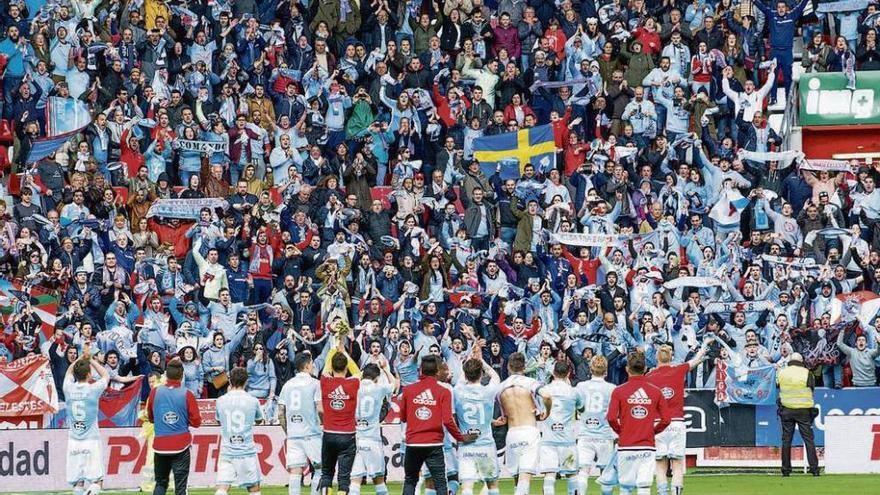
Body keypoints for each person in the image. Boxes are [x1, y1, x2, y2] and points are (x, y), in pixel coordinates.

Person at [399, 354, 473, 495]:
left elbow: (403, 417)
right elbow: (448, 420)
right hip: (434, 444)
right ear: (437, 372)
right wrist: (461, 437)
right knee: (440, 482)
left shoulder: (408, 390)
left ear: (421, 370)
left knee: (410, 480)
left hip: (413, 443)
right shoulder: (444, 391)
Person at [646, 343, 709, 495]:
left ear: (656, 358)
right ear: (671, 357)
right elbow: (694, 361)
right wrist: (704, 346)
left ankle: (662, 493)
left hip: (658, 424)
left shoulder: (649, 377)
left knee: (660, 464)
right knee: (677, 464)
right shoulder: (678, 370)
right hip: (676, 423)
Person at [607, 351, 671, 495]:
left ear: (626, 369)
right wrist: (653, 431)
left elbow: (611, 418)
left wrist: (621, 431)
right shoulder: (656, 392)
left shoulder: (619, 391)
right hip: (647, 445)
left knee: (625, 486)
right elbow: (666, 419)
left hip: (626, 445)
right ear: (645, 369)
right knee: (644, 486)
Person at [497, 352, 553, 495]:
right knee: (525, 477)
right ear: (525, 366)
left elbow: (499, 413)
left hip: (512, 433)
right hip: (529, 431)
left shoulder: (501, 387)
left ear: (508, 367)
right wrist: (547, 411)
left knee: (517, 477)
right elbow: (546, 395)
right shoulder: (530, 382)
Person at [146, 358, 203, 495]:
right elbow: (197, 422)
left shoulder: (155, 392)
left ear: (166, 374)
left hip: (160, 445)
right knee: (180, 487)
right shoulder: (187, 394)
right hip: (181, 446)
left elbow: (151, 417)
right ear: (182, 375)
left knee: (160, 483)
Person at [454, 353, 503, 495]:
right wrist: (482, 361)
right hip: (486, 444)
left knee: (467, 487)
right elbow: (495, 377)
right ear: (481, 373)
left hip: (466, 446)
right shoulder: (488, 391)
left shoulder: (458, 391)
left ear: (465, 373)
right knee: (492, 485)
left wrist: (469, 359)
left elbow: (460, 380)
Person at [318, 341, 361, 495]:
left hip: (329, 434)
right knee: (344, 478)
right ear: (345, 367)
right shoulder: (353, 383)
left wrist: (334, 349)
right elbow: (357, 372)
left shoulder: (325, 381)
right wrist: (345, 353)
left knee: (326, 474)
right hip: (348, 436)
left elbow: (325, 369)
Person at [64, 351, 109, 495]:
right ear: (89, 375)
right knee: (97, 481)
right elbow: (106, 375)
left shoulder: (67, 388)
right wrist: (91, 360)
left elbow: (68, 371)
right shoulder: (93, 389)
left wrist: (80, 359)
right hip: (91, 440)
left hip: (73, 441)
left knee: (78, 482)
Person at [349, 360, 398, 495]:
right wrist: (386, 369)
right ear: (376, 378)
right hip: (373, 439)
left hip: (357, 439)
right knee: (379, 480)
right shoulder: (379, 388)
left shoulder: (354, 387)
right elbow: (395, 384)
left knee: (355, 480)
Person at [278, 353, 323, 495]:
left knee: (295, 471)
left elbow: (280, 413)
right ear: (307, 365)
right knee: (320, 469)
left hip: (293, 435)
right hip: (312, 433)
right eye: (312, 363)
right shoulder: (315, 383)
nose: (313, 366)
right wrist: (323, 424)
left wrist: (288, 431)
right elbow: (320, 409)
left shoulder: (287, 385)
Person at [215, 367, 264, 495]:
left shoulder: (220, 401)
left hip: (227, 451)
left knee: (222, 487)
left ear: (230, 381)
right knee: (253, 488)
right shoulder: (253, 401)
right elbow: (259, 420)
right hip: (246, 451)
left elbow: (218, 421)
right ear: (246, 381)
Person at [574, 356, 617, 495]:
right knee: (606, 473)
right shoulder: (612, 388)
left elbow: (577, 407)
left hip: (585, 434)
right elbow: (614, 413)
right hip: (605, 435)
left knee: (583, 471)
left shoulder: (581, 386)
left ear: (590, 369)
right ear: (606, 371)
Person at [538, 360, 582, 495]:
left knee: (549, 475)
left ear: (553, 372)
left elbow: (540, 411)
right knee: (572, 475)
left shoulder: (544, 390)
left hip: (549, 440)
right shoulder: (574, 392)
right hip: (567, 440)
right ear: (568, 373)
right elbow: (581, 409)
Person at [776, 352, 820, 477]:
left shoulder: (782, 372)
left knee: (786, 440)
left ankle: (785, 469)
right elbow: (812, 391)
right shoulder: (807, 373)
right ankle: (814, 469)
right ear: (801, 361)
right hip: (804, 411)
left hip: (787, 410)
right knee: (808, 440)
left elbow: (778, 387)